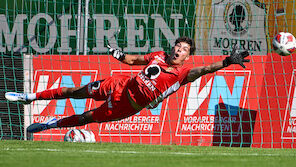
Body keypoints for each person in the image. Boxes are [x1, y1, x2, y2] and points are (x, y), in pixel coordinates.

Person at [5, 36, 250, 133]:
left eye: (184, 49)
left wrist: (228, 60)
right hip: (120, 84)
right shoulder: (158, 55)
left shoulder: (183, 74)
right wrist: (119, 54)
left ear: (187, 57)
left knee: (85, 118)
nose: (178, 50)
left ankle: (50, 124)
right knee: (76, 91)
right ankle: (30, 96)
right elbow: (133, 60)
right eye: (177, 46)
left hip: (128, 105)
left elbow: (206, 69)